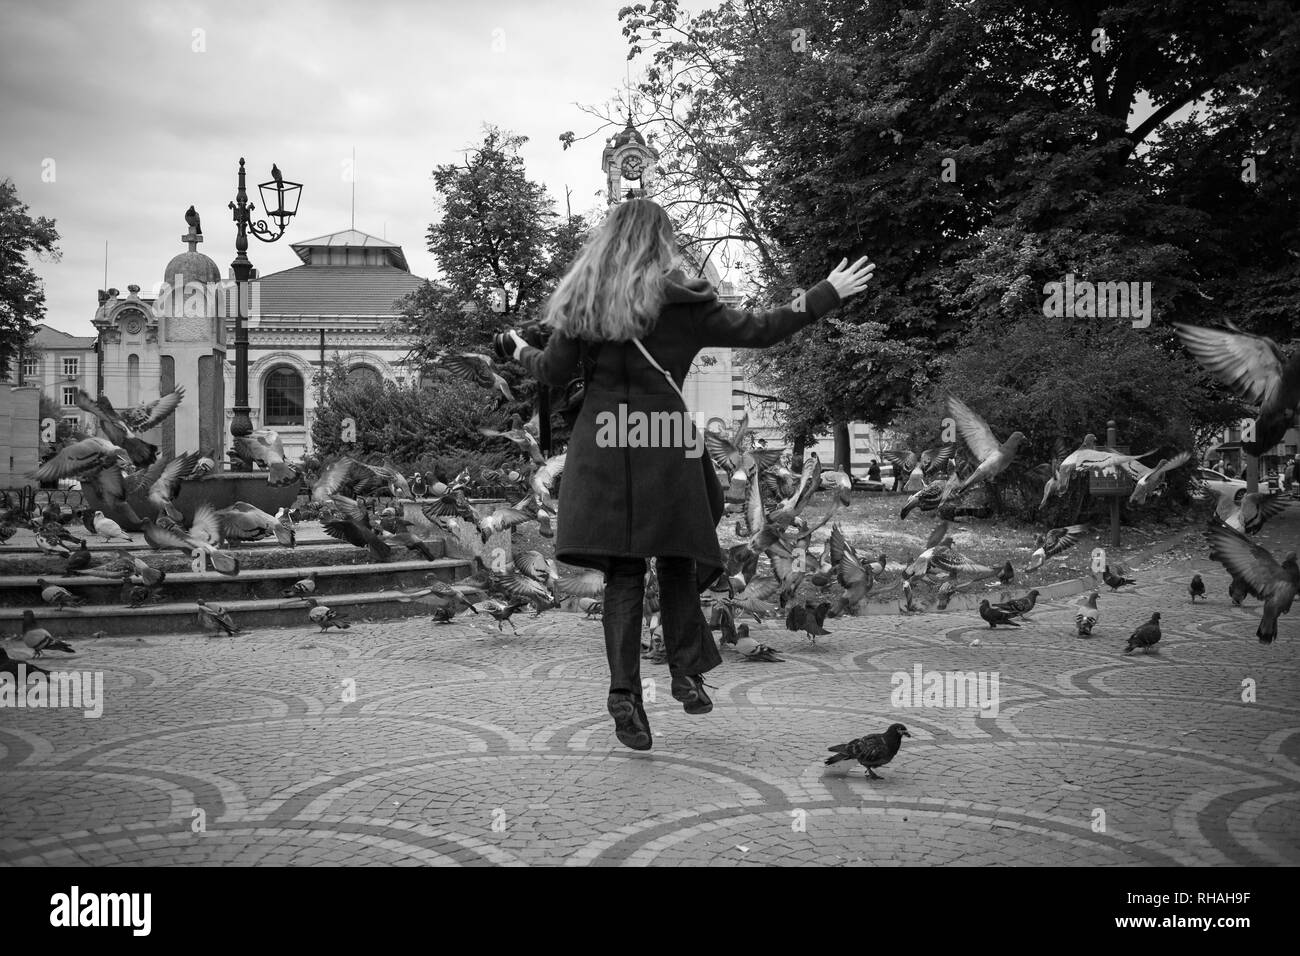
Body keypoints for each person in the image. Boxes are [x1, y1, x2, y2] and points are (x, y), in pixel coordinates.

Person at [503, 198, 875, 751]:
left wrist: (517, 349)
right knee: (677, 558)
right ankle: (684, 672)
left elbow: (553, 373)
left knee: (625, 576)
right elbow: (764, 329)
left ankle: (624, 696)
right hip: (666, 441)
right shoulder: (685, 301)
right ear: (663, 242)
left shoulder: (585, 300)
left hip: (606, 444)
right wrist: (825, 294)